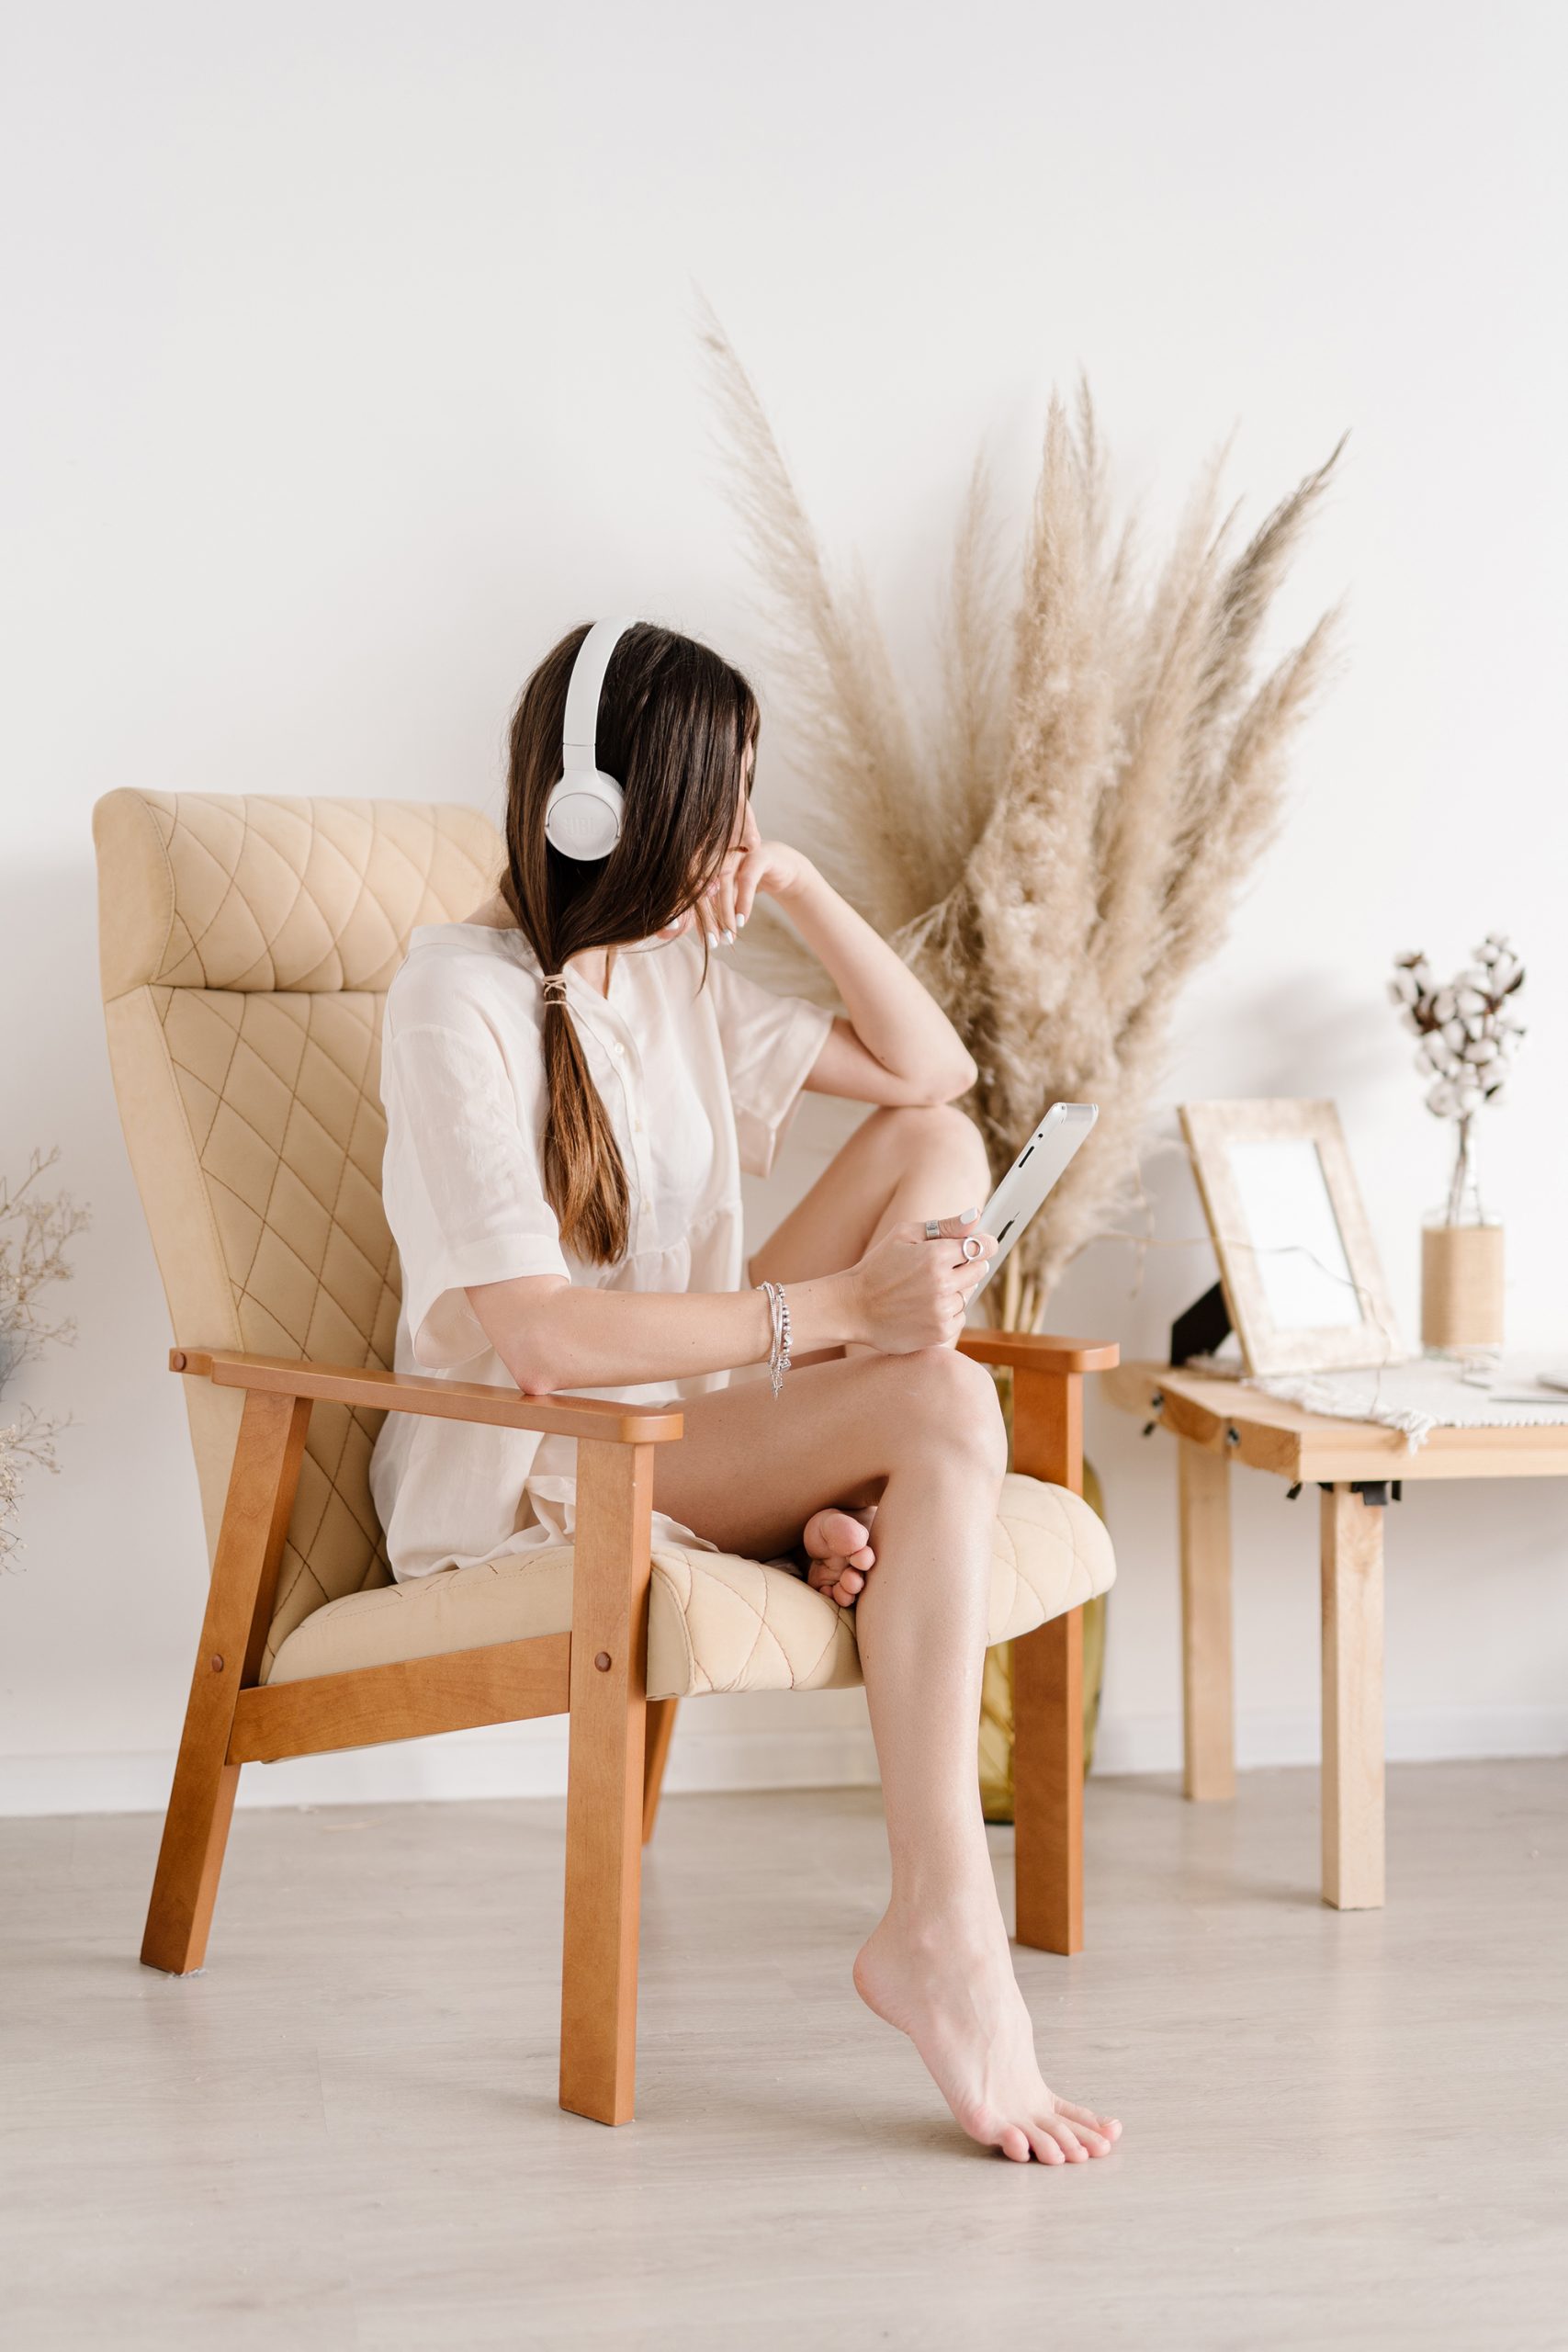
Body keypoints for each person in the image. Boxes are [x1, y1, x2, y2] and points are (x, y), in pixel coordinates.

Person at [368, 619, 1121, 2166]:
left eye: (750, 805)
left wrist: (801, 889)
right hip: (545, 1458)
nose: (737, 837)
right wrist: (843, 1311)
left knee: (935, 1158)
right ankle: (944, 1932)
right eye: (721, 803)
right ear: (604, 813)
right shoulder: (457, 997)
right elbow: (547, 1344)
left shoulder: (673, 972)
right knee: (947, 1411)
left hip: (701, 1408)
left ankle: (830, 1516)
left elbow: (934, 1080)